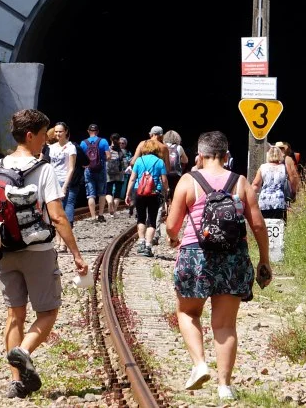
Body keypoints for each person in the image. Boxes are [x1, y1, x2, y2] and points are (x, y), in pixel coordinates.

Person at [0, 108, 88, 399]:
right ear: (29, 135)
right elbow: (58, 216)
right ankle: (23, 352)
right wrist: (76, 253)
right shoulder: (43, 169)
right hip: (38, 251)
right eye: (42, 137)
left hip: (5, 251)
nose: (45, 144)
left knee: (14, 316)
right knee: (48, 311)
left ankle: (17, 382)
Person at [165, 131, 272, 401]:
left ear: (199, 156)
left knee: (188, 313)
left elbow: (171, 225)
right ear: (227, 156)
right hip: (233, 258)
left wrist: (174, 238)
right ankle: (225, 386)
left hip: (195, 255)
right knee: (225, 325)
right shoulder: (240, 182)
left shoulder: (189, 181)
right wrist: (264, 259)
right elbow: (257, 224)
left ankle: (200, 364)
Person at [126, 138, 168, 257]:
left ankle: (141, 243)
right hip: (155, 193)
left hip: (139, 192)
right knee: (152, 220)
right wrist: (167, 192)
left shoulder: (139, 161)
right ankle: (148, 247)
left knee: (141, 218)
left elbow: (133, 179)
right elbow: (164, 180)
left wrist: (128, 194)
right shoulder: (160, 162)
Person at [48, 123, 79, 223]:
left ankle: (62, 236)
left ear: (66, 132)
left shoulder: (71, 147)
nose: (58, 134)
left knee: (60, 211)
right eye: (56, 131)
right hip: (51, 181)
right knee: (53, 212)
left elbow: (71, 168)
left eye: (60, 131)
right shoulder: (51, 147)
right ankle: (58, 238)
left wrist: (65, 186)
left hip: (62, 180)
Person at [253, 146, 294, 221]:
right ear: (280, 155)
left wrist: (249, 198)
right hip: (279, 202)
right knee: (280, 226)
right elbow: (291, 183)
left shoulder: (263, 167)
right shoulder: (284, 168)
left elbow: (255, 185)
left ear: (268, 155)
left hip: (264, 202)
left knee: (265, 225)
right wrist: (293, 195)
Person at [80, 124, 111, 222]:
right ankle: (101, 215)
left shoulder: (83, 143)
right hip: (101, 169)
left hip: (88, 169)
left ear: (88, 131)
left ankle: (93, 217)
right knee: (102, 193)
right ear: (97, 131)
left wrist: (85, 165)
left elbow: (80, 158)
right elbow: (109, 156)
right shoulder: (103, 141)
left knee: (91, 194)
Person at [104, 132, 128, 216]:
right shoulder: (122, 151)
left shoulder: (107, 149)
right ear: (118, 140)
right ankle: (113, 211)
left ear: (110, 139)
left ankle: (109, 202)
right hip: (119, 174)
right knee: (117, 194)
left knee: (108, 192)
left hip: (108, 174)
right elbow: (125, 164)